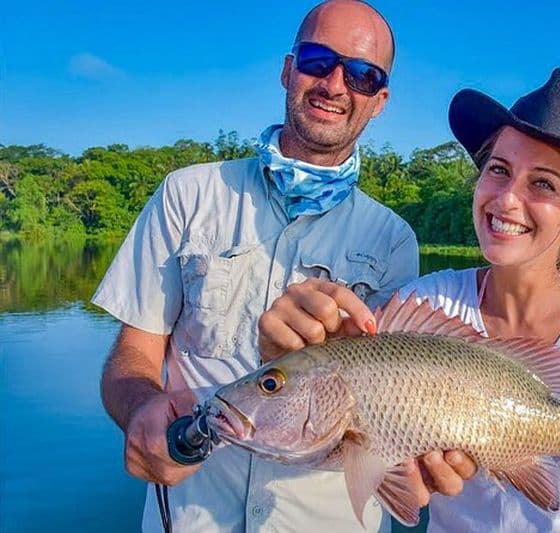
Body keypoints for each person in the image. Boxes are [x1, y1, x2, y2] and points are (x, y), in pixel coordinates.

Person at [95, 2, 472, 531]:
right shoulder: (188, 194)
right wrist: (139, 409)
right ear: (288, 69)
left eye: (362, 75)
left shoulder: (393, 240)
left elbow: (392, 405)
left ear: (380, 100)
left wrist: (416, 466)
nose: (334, 85)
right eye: (318, 61)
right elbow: (133, 355)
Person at [260, 68, 560, 532]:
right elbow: (384, 472)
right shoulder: (427, 301)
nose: (507, 200)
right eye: (499, 170)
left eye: (542, 183)